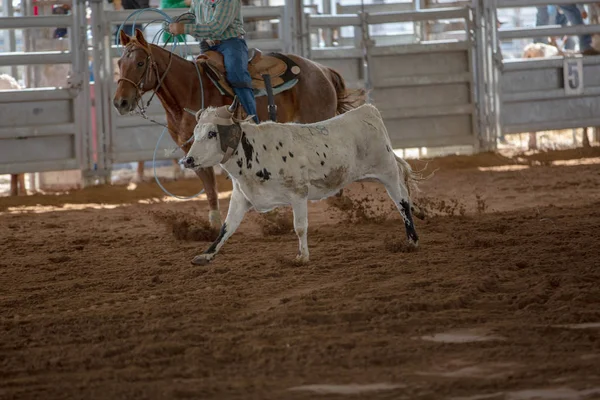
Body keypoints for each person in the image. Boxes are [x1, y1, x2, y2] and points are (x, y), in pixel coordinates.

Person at [168, 0, 259, 123]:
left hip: (230, 43)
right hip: (207, 44)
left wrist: (183, 28)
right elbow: (192, 16)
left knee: (236, 75)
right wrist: (175, 22)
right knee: (197, 77)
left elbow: (216, 28)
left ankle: (252, 120)